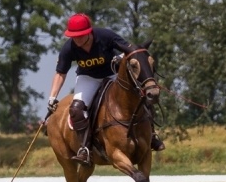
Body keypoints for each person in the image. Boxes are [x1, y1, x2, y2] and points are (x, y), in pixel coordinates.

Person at [47, 13, 165, 166]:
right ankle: (84, 149)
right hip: (87, 78)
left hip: (112, 74)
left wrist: (121, 56)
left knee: (141, 97)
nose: (77, 39)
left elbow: (129, 49)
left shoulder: (105, 36)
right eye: (74, 36)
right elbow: (60, 73)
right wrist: (52, 97)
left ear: (89, 32)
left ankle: (152, 136)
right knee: (76, 110)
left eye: (81, 35)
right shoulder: (69, 47)